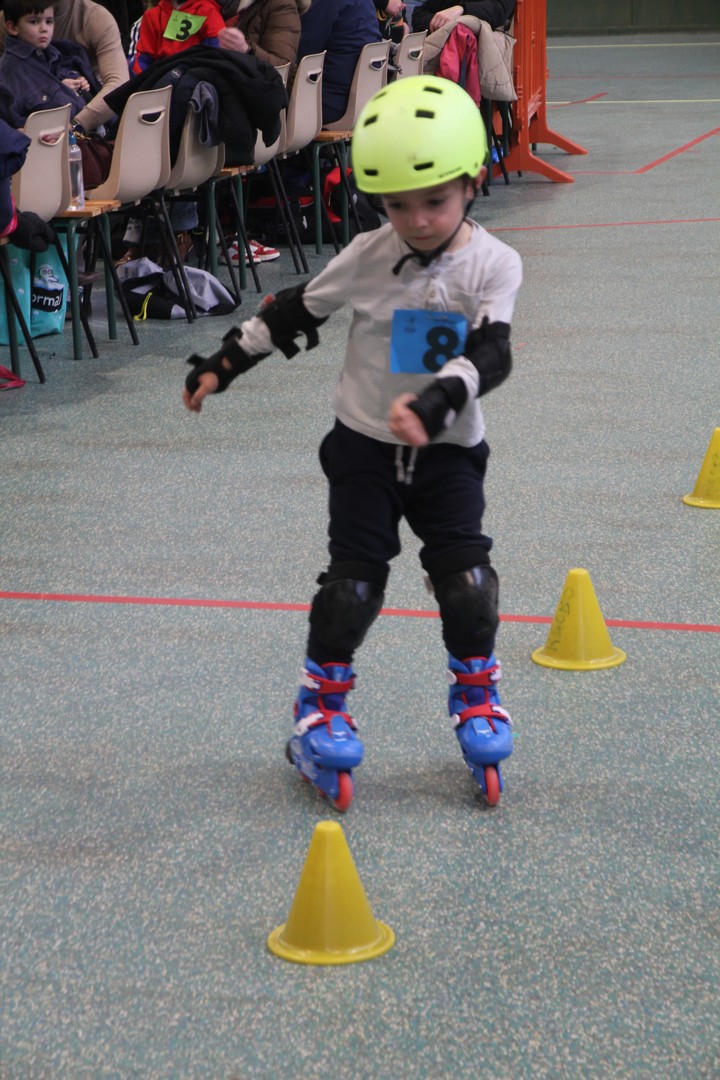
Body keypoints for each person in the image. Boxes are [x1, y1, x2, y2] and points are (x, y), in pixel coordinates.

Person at [182, 75, 522, 811]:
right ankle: (320, 707)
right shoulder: (370, 254)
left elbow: (494, 352)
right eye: (397, 205)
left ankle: (476, 693)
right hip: (364, 449)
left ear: (472, 182)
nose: (417, 220)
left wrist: (435, 403)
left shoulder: (494, 264)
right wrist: (223, 364)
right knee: (352, 589)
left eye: (435, 201)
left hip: (450, 453)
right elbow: (293, 309)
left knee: (468, 585)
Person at [0, 0, 129, 133]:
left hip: (91, 118)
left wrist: (75, 123)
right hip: (47, 133)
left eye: (49, 21)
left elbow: (119, 83)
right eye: (34, 21)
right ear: (13, 27)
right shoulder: (13, 13)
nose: (44, 28)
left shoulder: (94, 16)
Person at [297, 0, 382, 125]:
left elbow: (302, 52)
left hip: (331, 101)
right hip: (364, 98)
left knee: (271, 100)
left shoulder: (326, 4)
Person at [131, 0, 225, 73]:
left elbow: (216, 54)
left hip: (195, 76)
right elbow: (142, 60)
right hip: (160, 78)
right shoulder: (153, 15)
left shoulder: (208, 11)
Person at [412, 0, 514, 33]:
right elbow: (419, 14)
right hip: (441, 54)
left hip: (480, 54)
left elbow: (500, 10)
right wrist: (438, 21)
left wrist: (462, 9)